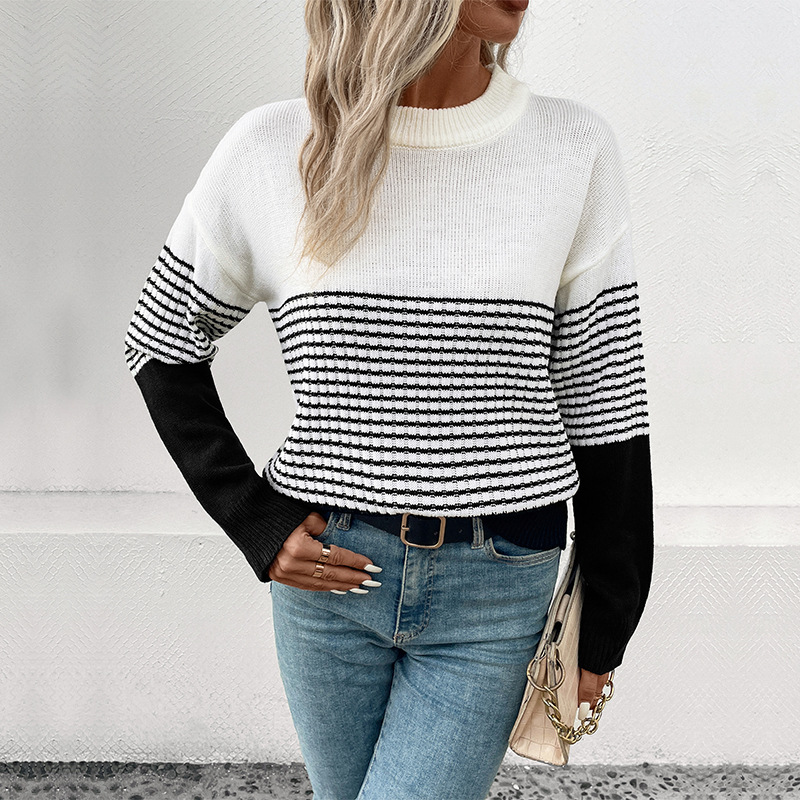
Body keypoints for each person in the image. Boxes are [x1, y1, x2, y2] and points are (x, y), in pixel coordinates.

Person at [124, 1, 654, 797]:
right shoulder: (271, 148)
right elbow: (159, 338)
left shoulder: (572, 147)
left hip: (498, 584)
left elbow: (605, 397)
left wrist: (607, 620)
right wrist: (254, 519)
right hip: (328, 578)